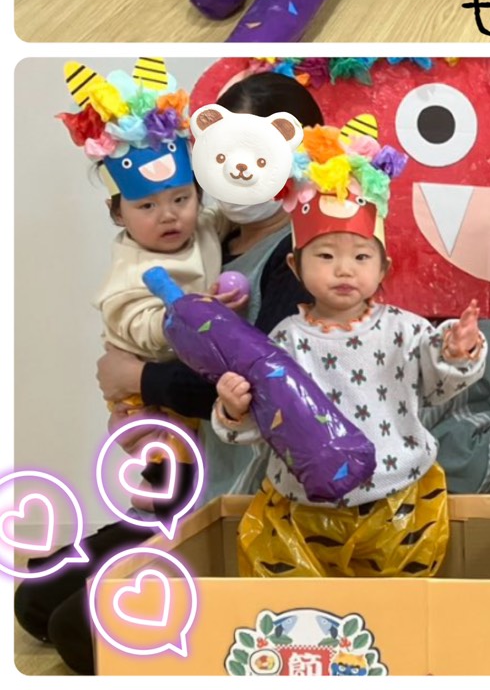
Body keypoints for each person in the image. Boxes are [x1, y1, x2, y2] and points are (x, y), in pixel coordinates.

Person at [14, 72, 324, 675]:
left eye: (258, 156)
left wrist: (136, 377)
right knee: (36, 602)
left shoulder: (301, 259)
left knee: (79, 633)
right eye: (224, 154)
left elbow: (262, 391)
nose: (240, 171)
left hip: (245, 494)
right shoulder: (206, 234)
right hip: (186, 473)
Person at [212, 118, 485, 578]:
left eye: (361, 256)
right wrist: (233, 409)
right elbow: (266, 421)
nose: (344, 269)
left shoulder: (405, 330)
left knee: (396, 605)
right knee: (299, 604)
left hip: (399, 500)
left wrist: (456, 351)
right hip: (302, 506)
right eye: (325, 255)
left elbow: (438, 387)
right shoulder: (285, 341)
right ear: (295, 266)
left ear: (383, 267)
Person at [57, 57, 223, 501]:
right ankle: (154, 504)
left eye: (181, 199)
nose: (168, 215)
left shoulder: (204, 227)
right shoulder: (130, 270)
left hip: (190, 375)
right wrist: (194, 316)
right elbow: (142, 330)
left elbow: (228, 219)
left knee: (202, 457)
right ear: (117, 213)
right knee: (167, 464)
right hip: (146, 389)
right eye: (146, 206)